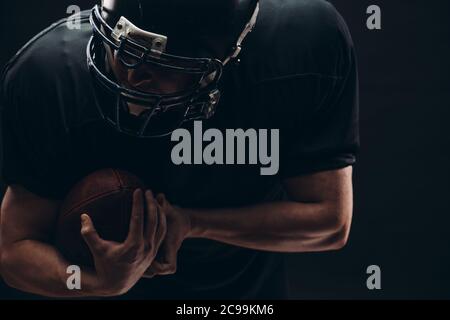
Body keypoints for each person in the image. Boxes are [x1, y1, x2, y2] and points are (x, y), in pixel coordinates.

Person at [0, 0, 359, 299]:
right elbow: (13, 249)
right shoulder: (49, 77)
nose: (131, 75)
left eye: (158, 64)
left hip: (237, 297)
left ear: (229, 56)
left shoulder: (299, 48)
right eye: (123, 49)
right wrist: (100, 283)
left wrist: (191, 224)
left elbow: (329, 221)